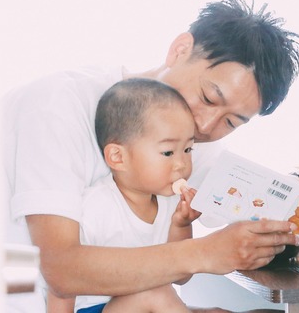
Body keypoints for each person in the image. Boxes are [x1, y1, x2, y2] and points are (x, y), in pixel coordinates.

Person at [4, 0, 299, 312]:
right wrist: (203, 253)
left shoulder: (192, 142)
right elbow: (60, 270)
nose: (205, 125)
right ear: (180, 50)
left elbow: (259, 206)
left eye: (231, 122)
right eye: (208, 97)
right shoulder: (58, 107)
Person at [61, 79, 201, 313]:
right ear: (118, 157)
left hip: (149, 306)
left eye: (188, 149)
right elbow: (62, 278)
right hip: (95, 308)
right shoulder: (98, 206)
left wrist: (182, 224)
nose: (181, 164)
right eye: (167, 152)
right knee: (156, 292)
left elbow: (182, 277)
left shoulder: (169, 204)